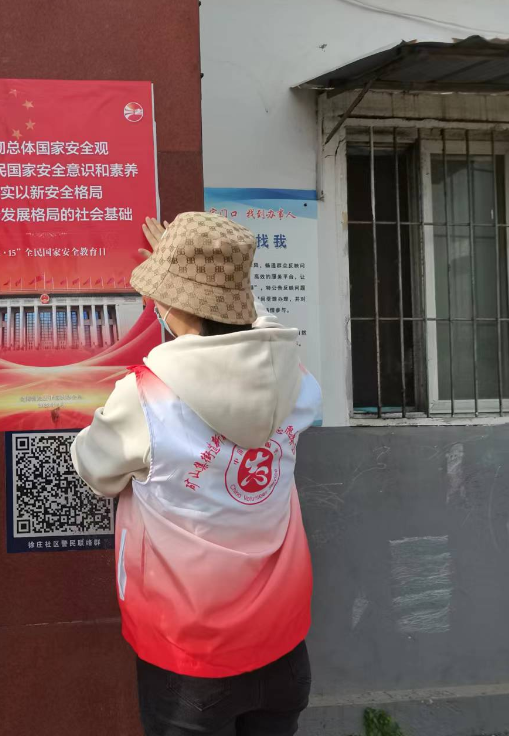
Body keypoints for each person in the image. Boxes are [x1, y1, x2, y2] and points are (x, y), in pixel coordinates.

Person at [71, 212, 322, 736]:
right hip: (284, 648)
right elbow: (262, 336)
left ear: (171, 304)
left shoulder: (146, 396)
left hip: (191, 662)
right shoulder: (296, 378)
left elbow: (96, 470)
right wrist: (207, 278)